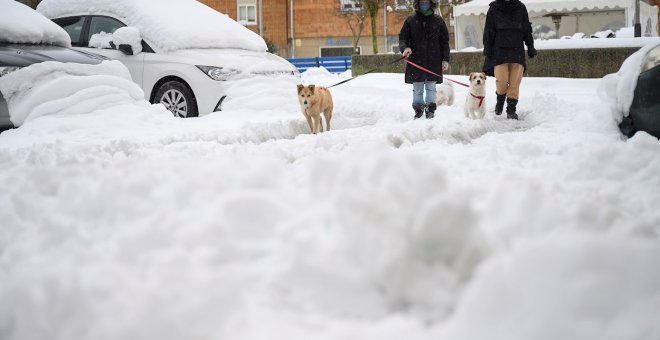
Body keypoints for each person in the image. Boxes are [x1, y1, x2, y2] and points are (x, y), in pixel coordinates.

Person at [483, 0, 537, 120]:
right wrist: (487, 48)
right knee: (501, 80)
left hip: (517, 50)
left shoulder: (521, 8)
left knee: (514, 82)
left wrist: (531, 46)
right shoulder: (494, 8)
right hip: (499, 51)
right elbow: (488, 31)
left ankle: (511, 110)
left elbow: (526, 29)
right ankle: (500, 99)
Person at [399, 0, 450, 119]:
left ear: (432, 4)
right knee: (417, 88)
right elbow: (403, 38)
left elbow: (444, 42)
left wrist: (445, 59)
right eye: (422, 2)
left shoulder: (439, 21)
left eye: (427, 2)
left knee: (431, 87)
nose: (424, 4)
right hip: (416, 61)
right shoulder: (410, 21)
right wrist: (405, 48)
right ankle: (418, 109)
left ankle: (430, 109)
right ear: (417, 4)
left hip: (434, 60)